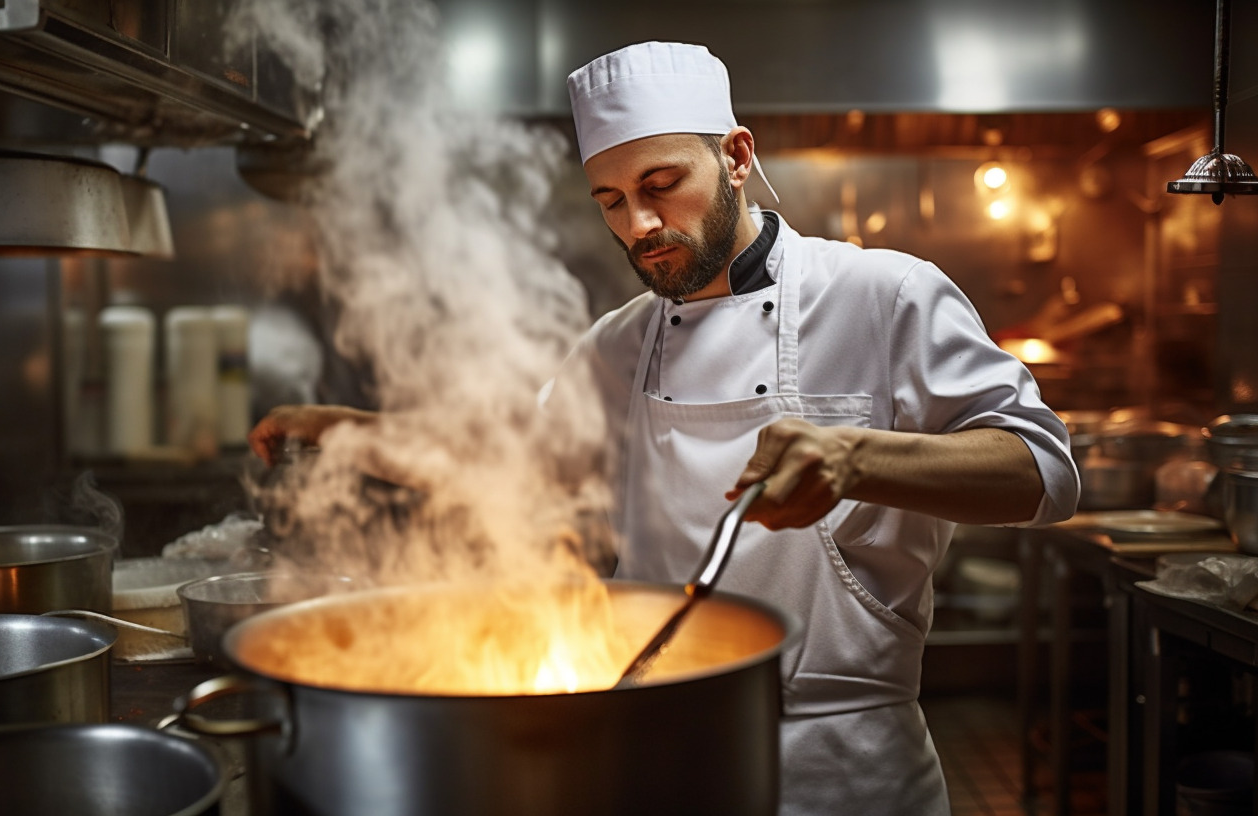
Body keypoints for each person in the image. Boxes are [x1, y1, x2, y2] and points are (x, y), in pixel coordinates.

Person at [251, 40, 1079, 816]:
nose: (639, 224)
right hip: (654, 751)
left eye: (660, 184)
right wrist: (348, 430)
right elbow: (509, 468)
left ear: (737, 157)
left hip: (847, 760)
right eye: (611, 200)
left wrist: (857, 457)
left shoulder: (882, 295)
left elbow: (1044, 471)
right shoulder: (619, 344)